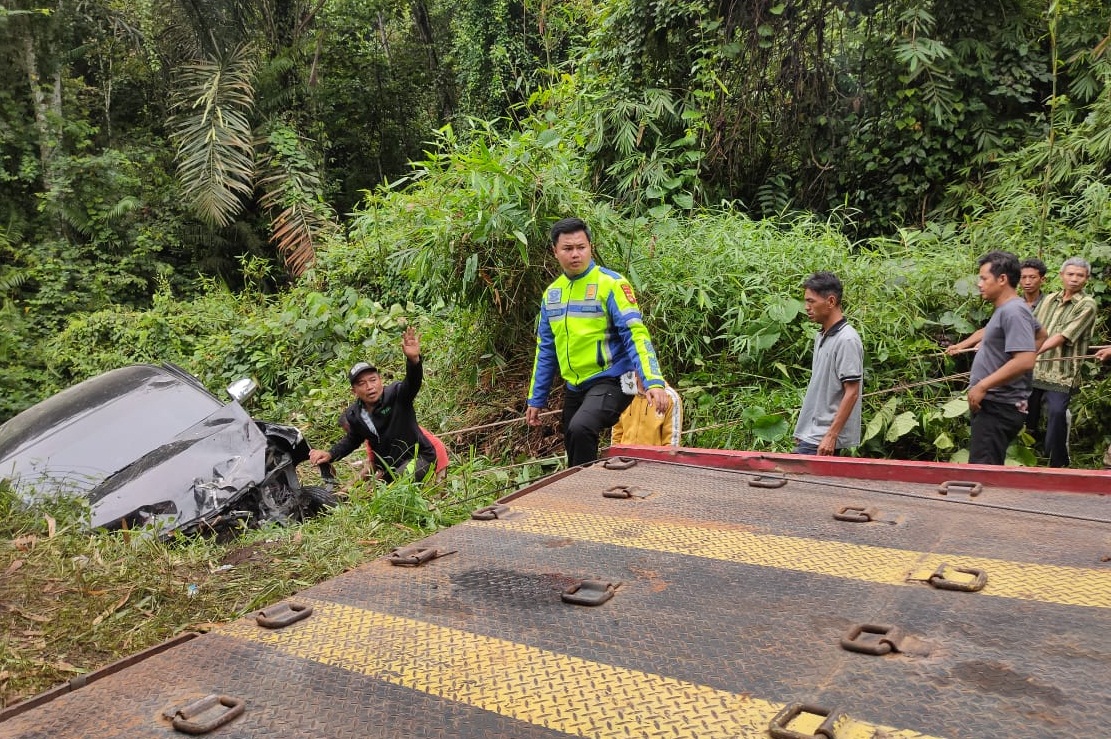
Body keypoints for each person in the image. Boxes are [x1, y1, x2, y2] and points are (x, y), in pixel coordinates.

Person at [525, 217, 668, 466]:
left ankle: (584, 497)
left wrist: (652, 380)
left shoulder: (611, 284)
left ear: (591, 246)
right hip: (575, 386)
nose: (575, 254)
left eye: (581, 247)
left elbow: (636, 335)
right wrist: (536, 399)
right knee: (572, 439)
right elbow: (546, 349)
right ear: (555, 252)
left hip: (614, 379)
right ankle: (583, 496)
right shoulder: (552, 294)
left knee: (581, 428)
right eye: (568, 249)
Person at [308, 326, 440, 482]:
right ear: (354, 391)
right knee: (387, 484)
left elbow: (413, 382)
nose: (369, 387)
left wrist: (413, 361)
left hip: (420, 457)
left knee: (401, 481)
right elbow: (352, 440)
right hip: (390, 466)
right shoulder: (355, 415)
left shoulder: (397, 394)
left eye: (373, 380)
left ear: (380, 381)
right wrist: (330, 454)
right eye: (362, 383)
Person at [965, 251, 1042, 465]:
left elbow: (1025, 360)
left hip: (999, 405)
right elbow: (1041, 335)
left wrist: (983, 385)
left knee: (983, 472)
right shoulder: (1008, 309)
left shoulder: (1014, 311)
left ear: (1002, 279)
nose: (979, 284)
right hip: (993, 404)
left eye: (983, 278)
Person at [1027, 257, 1098, 467]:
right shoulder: (1048, 299)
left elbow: (1062, 336)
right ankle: (1026, 454)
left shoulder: (1087, 305)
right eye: (1070, 274)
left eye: (1080, 275)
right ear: (1061, 276)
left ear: (1087, 279)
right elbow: (1032, 327)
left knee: (1057, 413)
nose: (1074, 279)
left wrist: (1033, 350)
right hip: (1035, 368)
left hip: (1062, 373)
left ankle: (1056, 462)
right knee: (1025, 414)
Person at [793, 271, 863, 456]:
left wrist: (831, 436)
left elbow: (852, 392)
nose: (807, 307)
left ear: (831, 302)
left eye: (811, 301)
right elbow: (820, 388)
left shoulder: (847, 339)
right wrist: (804, 428)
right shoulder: (821, 335)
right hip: (812, 433)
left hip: (823, 437)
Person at [945, 257, 1047, 355]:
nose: (1027, 282)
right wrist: (960, 346)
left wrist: (991, 344)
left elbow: (1043, 335)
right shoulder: (1011, 304)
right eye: (1023, 277)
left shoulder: (1049, 303)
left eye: (1032, 277)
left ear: (1042, 280)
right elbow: (990, 328)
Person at [611, 376, 683, 447]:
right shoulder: (624, 391)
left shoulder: (669, 397)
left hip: (653, 458)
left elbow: (671, 446)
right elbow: (616, 436)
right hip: (624, 457)